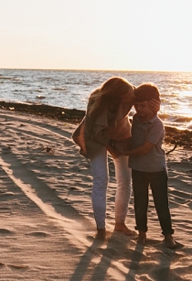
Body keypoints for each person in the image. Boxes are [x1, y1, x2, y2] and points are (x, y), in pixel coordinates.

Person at [72, 77, 136, 240]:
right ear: (118, 96)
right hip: (95, 137)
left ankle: (119, 224)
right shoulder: (98, 105)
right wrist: (110, 142)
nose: (132, 97)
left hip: (120, 135)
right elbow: (96, 133)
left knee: (125, 180)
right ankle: (101, 229)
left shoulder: (129, 96)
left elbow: (142, 96)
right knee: (101, 180)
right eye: (128, 95)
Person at [116, 84, 180, 249]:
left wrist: (126, 151)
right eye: (137, 106)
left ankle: (168, 236)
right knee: (140, 203)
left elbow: (146, 148)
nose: (139, 109)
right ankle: (142, 234)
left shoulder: (157, 124)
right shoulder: (136, 118)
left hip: (156, 169)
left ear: (154, 104)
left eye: (143, 106)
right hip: (138, 168)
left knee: (161, 204)